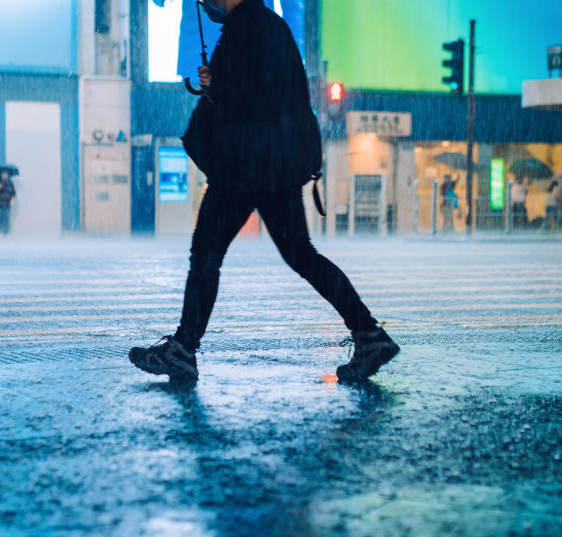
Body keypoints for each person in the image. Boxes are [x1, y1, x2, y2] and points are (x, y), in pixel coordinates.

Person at [129, 0, 398, 382]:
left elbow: (243, 100)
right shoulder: (269, 26)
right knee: (300, 255)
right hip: (275, 165)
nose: (205, 6)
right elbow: (270, 93)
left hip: (245, 166)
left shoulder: (246, 28)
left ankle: (183, 350)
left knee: (206, 255)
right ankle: (369, 334)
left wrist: (215, 87)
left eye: (208, 1)